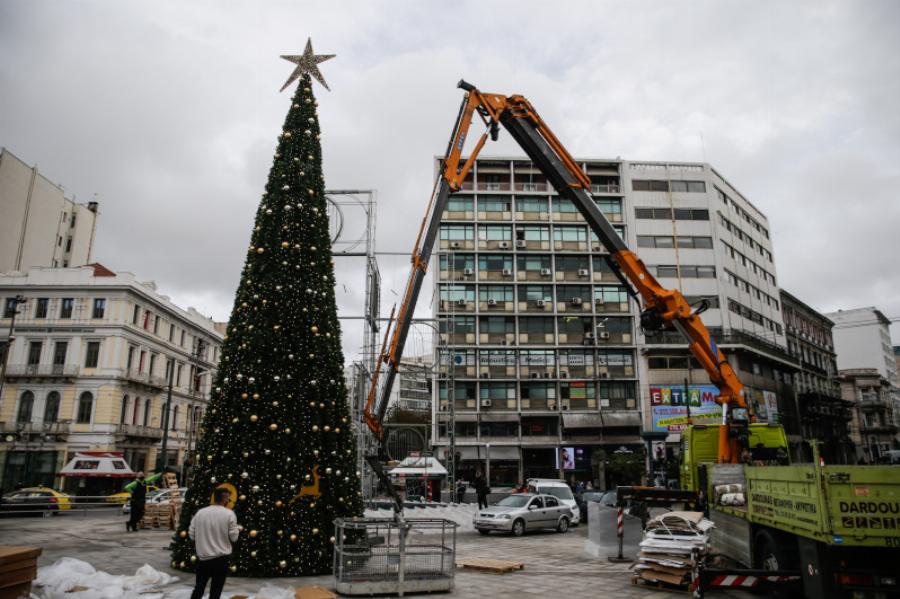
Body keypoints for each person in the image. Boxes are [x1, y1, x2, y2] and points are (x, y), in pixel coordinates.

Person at [189, 487, 240, 599]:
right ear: (225, 499)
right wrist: (237, 529)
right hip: (221, 558)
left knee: (199, 587)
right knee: (216, 590)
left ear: (214, 498)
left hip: (203, 558)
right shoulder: (229, 514)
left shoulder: (200, 513)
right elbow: (234, 537)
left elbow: (191, 534)